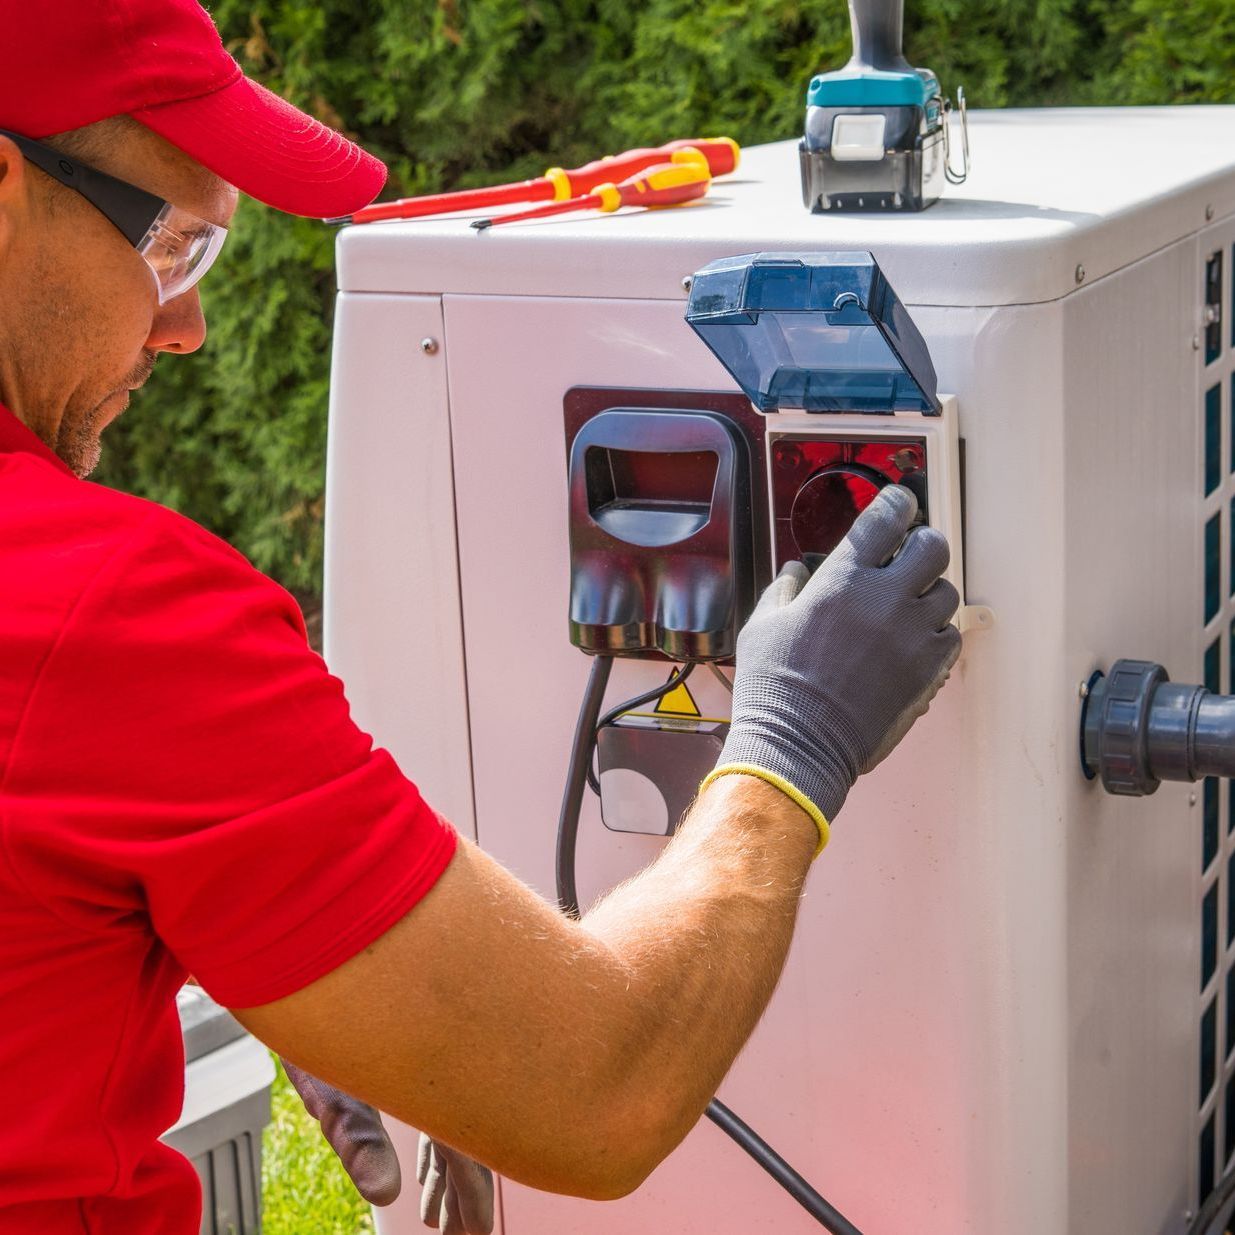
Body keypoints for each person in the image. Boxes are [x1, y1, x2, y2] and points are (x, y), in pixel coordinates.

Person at [0, 2, 963, 1234]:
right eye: (172, 242)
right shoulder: (112, 613)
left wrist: (255, 928)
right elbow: (595, 1085)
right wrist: (789, 747)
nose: (185, 328)